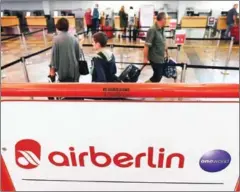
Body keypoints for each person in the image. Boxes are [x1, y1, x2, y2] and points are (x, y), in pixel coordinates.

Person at [49, 18, 81, 82]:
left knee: (65, 89)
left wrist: (52, 72)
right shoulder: (74, 38)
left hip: (62, 69)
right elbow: (78, 55)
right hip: (74, 69)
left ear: (58, 27)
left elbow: (54, 58)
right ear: (67, 26)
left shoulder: (56, 39)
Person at [143, 12, 168, 83]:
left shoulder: (162, 29)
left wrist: (166, 50)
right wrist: (145, 58)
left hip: (161, 58)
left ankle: (151, 90)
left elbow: (163, 40)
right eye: (165, 19)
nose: (166, 21)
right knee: (157, 77)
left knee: (158, 76)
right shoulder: (152, 30)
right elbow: (146, 45)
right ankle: (145, 87)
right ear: (162, 19)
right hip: (155, 58)